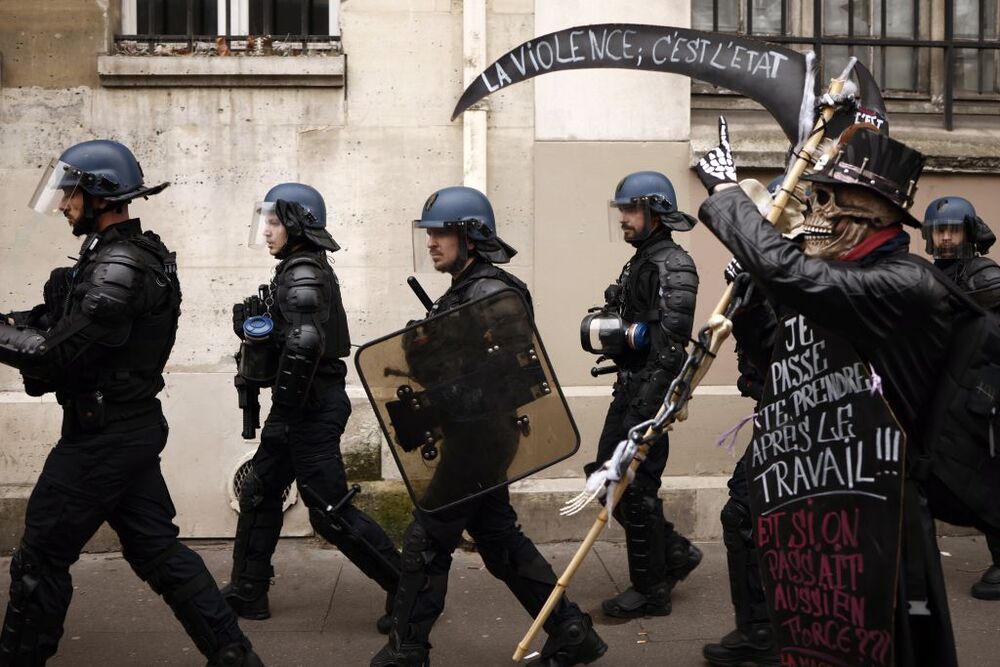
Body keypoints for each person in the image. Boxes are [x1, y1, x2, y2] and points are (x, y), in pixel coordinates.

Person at [695, 117, 998, 666]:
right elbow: (778, 362)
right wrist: (753, 296)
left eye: (829, 200)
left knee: (899, 635)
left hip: (884, 505)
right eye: (812, 198)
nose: (813, 215)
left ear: (875, 213)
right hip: (822, 490)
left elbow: (791, 275)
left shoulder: (902, 282)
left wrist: (726, 191)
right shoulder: (841, 279)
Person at [0, 140, 262, 666]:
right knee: (157, 551)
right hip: (124, 429)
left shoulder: (119, 265)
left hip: (103, 439)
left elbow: (55, 356)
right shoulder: (114, 257)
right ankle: (235, 657)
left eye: (70, 193)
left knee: (39, 558)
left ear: (98, 193)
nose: (63, 204)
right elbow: (59, 323)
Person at [371, 186, 607, 667]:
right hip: (472, 435)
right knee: (499, 540)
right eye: (430, 233)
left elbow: (502, 377)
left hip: (480, 438)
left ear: (472, 237)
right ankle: (572, 631)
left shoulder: (493, 294)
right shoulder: (467, 290)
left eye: (442, 233)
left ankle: (406, 651)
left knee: (426, 540)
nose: (432, 242)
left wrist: (435, 354)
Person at [223, 183, 401, 631]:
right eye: (264, 220)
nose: (266, 231)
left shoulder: (303, 273)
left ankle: (409, 591)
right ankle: (248, 590)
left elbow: (304, 344)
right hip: (299, 407)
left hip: (308, 408)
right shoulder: (296, 268)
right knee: (260, 491)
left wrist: (283, 409)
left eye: (275, 221)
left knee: (330, 512)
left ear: (297, 223)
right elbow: (290, 338)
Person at [582, 171, 702, 619]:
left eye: (631, 209)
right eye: (622, 210)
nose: (623, 219)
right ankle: (674, 554)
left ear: (655, 212)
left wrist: (648, 410)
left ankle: (651, 590)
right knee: (605, 475)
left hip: (649, 396)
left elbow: (671, 345)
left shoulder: (674, 264)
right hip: (631, 389)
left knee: (635, 487)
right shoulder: (642, 260)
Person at [922, 195, 1000, 600]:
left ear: (968, 232)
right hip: (947, 390)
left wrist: (989, 392)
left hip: (983, 396)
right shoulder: (937, 273)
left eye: (953, 229)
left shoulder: (985, 277)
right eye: (940, 230)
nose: (946, 238)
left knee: (988, 475)